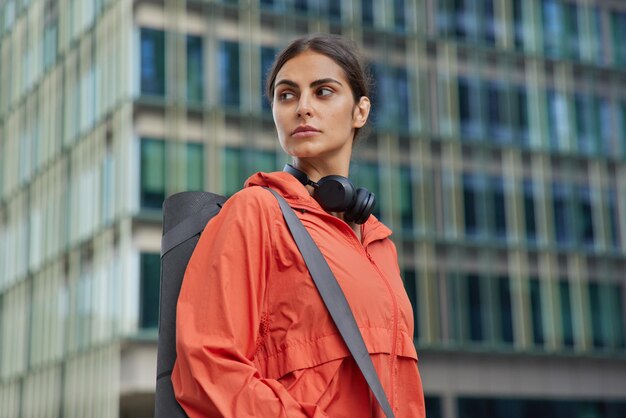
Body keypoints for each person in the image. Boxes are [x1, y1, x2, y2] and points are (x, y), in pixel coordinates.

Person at [171, 33, 426, 418]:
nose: (302, 107)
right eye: (286, 95)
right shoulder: (256, 211)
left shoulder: (378, 243)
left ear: (360, 111)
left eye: (323, 92)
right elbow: (207, 367)